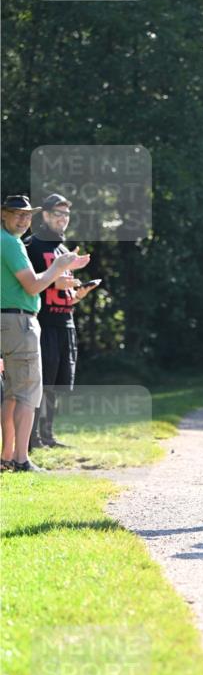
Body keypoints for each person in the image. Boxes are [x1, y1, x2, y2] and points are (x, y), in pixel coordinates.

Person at [1, 195, 89, 472]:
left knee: (13, 395)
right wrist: (59, 267)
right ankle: (21, 459)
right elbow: (32, 285)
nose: (23, 219)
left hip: (12, 321)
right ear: (3, 214)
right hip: (20, 322)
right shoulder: (13, 243)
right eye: (17, 214)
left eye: (27, 215)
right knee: (27, 394)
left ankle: (7, 456)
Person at [27, 193, 100, 449]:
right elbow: (25, 283)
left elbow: (62, 291)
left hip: (65, 322)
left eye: (66, 215)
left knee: (56, 384)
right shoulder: (32, 245)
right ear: (44, 216)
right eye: (58, 214)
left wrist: (77, 294)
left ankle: (47, 436)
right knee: (39, 382)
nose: (63, 219)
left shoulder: (63, 250)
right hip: (43, 323)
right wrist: (54, 281)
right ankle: (32, 438)